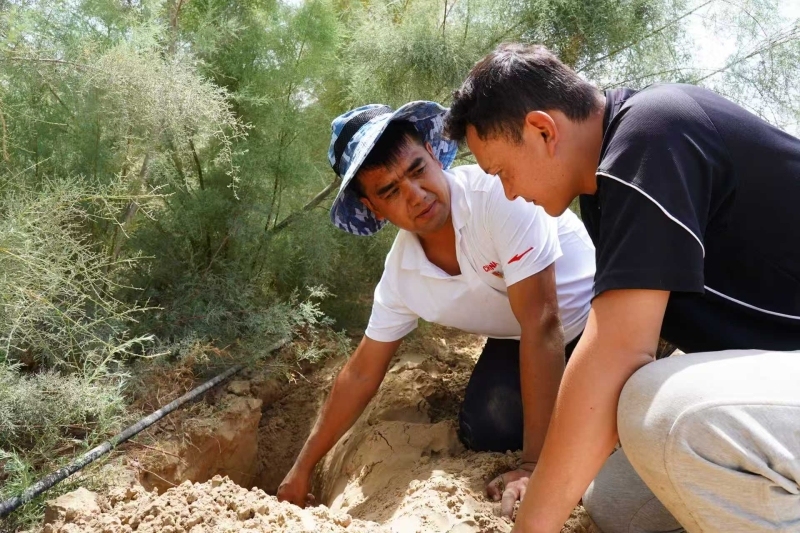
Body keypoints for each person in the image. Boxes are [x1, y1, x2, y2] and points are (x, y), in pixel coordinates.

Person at [444, 43, 800, 533]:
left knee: (668, 412)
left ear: (543, 130)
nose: (508, 192)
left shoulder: (654, 133)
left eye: (502, 171)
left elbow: (618, 351)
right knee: (617, 502)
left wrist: (532, 523)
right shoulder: (607, 191)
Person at [276, 101, 596, 511]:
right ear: (373, 208)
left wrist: (534, 465)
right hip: (522, 335)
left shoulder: (496, 194)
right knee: (486, 427)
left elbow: (543, 321)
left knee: (592, 408)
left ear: (432, 152)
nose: (416, 195)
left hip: (591, 316)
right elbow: (360, 373)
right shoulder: (402, 275)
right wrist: (301, 469)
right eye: (390, 191)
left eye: (416, 170)